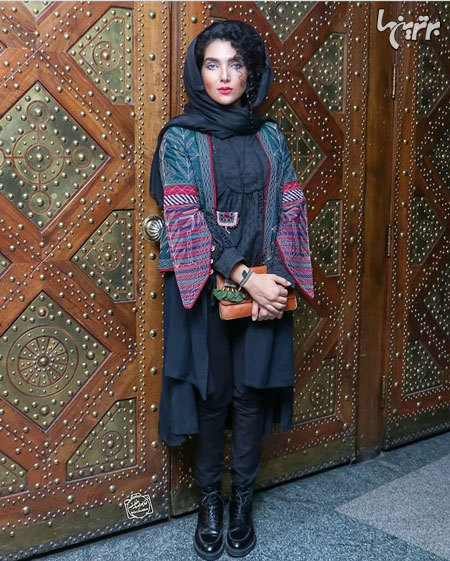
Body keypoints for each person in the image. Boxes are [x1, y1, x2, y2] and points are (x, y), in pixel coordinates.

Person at [149, 20, 314, 560]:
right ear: (198, 72)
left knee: (249, 394)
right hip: (205, 285)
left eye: (236, 64)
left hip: (266, 287)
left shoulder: (271, 136)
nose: (224, 75)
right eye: (213, 64)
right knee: (212, 395)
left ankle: (242, 500)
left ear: (251, 73)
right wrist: (246, 277)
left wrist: (276, 282)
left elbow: (291, 206)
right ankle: (209, 504)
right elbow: (185, 217)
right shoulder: (179, 138)